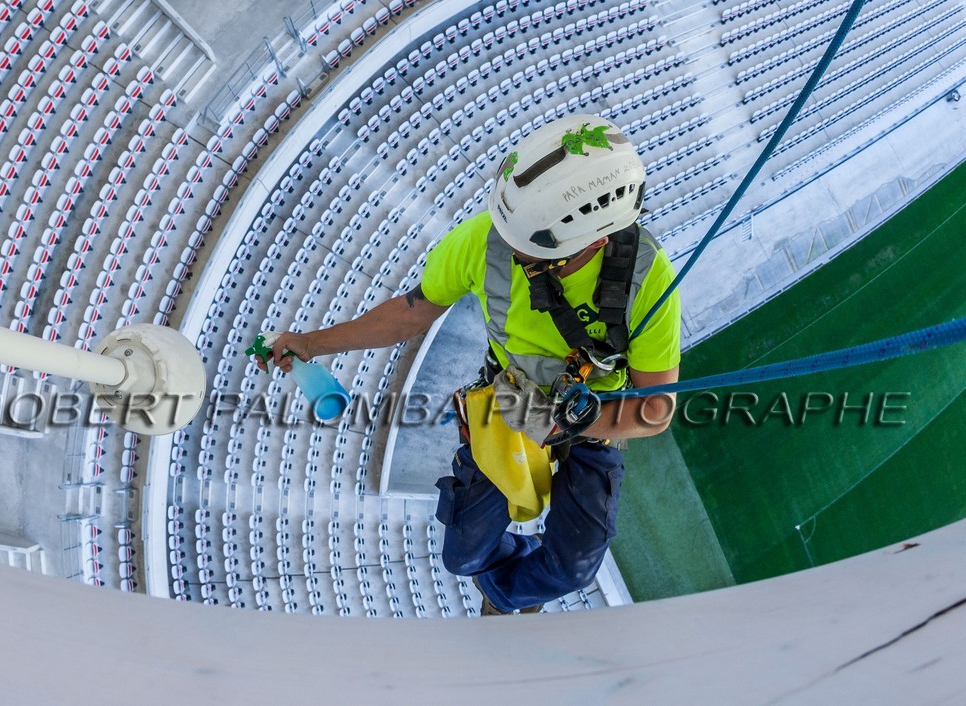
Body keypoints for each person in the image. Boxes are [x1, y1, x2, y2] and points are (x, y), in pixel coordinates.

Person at [261, 113, 680, 616]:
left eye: (527, 244)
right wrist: (311, 343)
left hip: (593, 420)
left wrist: (569, 425)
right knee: (464, 557)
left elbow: (655, 410)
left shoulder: (647, 279)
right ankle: (513, 584)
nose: (509, 247)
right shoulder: (487, 238)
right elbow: (408, 314)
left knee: (574, 567)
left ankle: (508, 594)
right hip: (508, 400)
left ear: (591, 240)